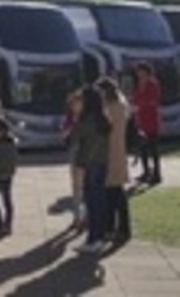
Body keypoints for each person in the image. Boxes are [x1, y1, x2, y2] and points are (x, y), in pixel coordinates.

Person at [73, 85, 111, 254]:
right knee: (99, 202)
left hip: (90, 163)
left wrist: (76, 117)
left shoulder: (86, 120)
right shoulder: (102, 117)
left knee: (92, 202)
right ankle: (99, 237)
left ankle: (94, 238)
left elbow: (73, 138)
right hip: (102, 162)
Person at [97, 77, 132, 243]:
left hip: (111, 151)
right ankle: (114, 227)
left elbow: (104, 128)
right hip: (117, 150)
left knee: (115, 193)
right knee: (114, 191)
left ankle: (120, 228)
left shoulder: (110, 108)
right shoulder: (121, 104)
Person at [133, 62, 162, 185]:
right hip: (141, 119)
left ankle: (157, 173)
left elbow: (152, 100)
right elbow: (136, 98)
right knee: (143, 147)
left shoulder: (153, 84)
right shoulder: (140, 84)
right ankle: (145, 172)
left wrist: (139, 104)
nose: (139, 74)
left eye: (140, 71)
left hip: (151, 118)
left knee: (153, 148)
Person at [62, 90, 86, 232]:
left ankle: (84, 218)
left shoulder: (87, 117)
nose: (73, 107)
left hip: (86, 152)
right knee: (76, 186)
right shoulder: (70, 117)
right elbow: (64, 133)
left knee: (84, 186)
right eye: (72, 105)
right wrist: (69, 129)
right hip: (74, 151)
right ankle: (77, 217)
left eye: (76, 104)